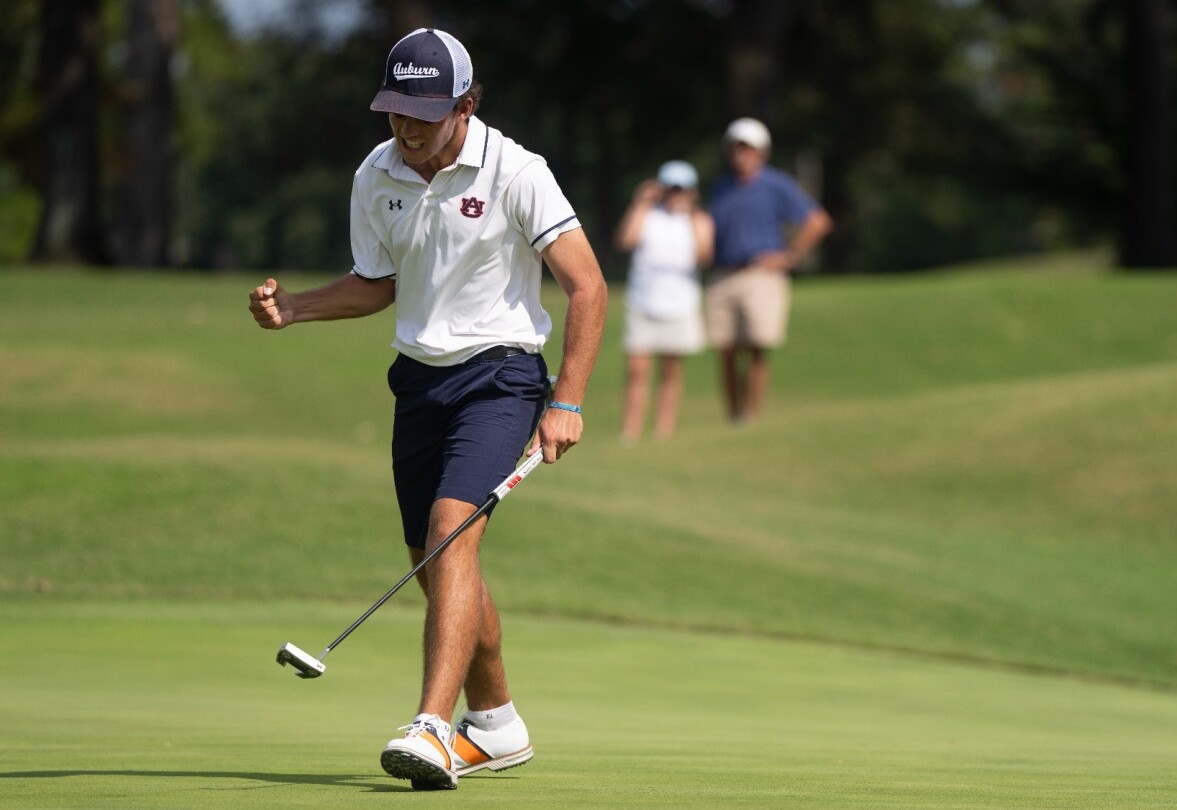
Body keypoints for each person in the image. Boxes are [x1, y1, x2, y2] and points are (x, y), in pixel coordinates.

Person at [247, 28, 606, 792]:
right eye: (394, 111)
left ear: (465, 106)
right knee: (436, 565)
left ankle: (432, 727)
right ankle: (499, 724)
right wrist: (297, 310)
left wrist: (566, 399)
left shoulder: (517, 170)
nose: (405, 128)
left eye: (423, 113)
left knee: (450, 535)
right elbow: (377, 282)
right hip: (419, 382)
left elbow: (588, 285)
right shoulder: (376, 175)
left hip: (502, 375)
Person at [705, 118, 832, 423]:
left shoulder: (776, 184)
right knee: (726, 349)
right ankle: (733, 416)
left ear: (762, 152)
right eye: (736, 148)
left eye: (747, 148)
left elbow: (817, 221)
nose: (740, 155)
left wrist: (789, 257)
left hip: (760, 274)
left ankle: (751, 415)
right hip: (723, 274)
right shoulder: (721, 188)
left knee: (758, 347)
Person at [614, 160, 714, 443]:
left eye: (682, 189)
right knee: (637, 369)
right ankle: (630, 429)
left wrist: (694, 217)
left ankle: (663, 429)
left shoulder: (699, 219)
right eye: (671, 188)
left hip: (680, 302)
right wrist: (640, 203)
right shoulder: (647, 214)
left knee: (670, 369)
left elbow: (705, 256)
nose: (676, 194)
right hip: (643, 299)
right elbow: (626, 240)